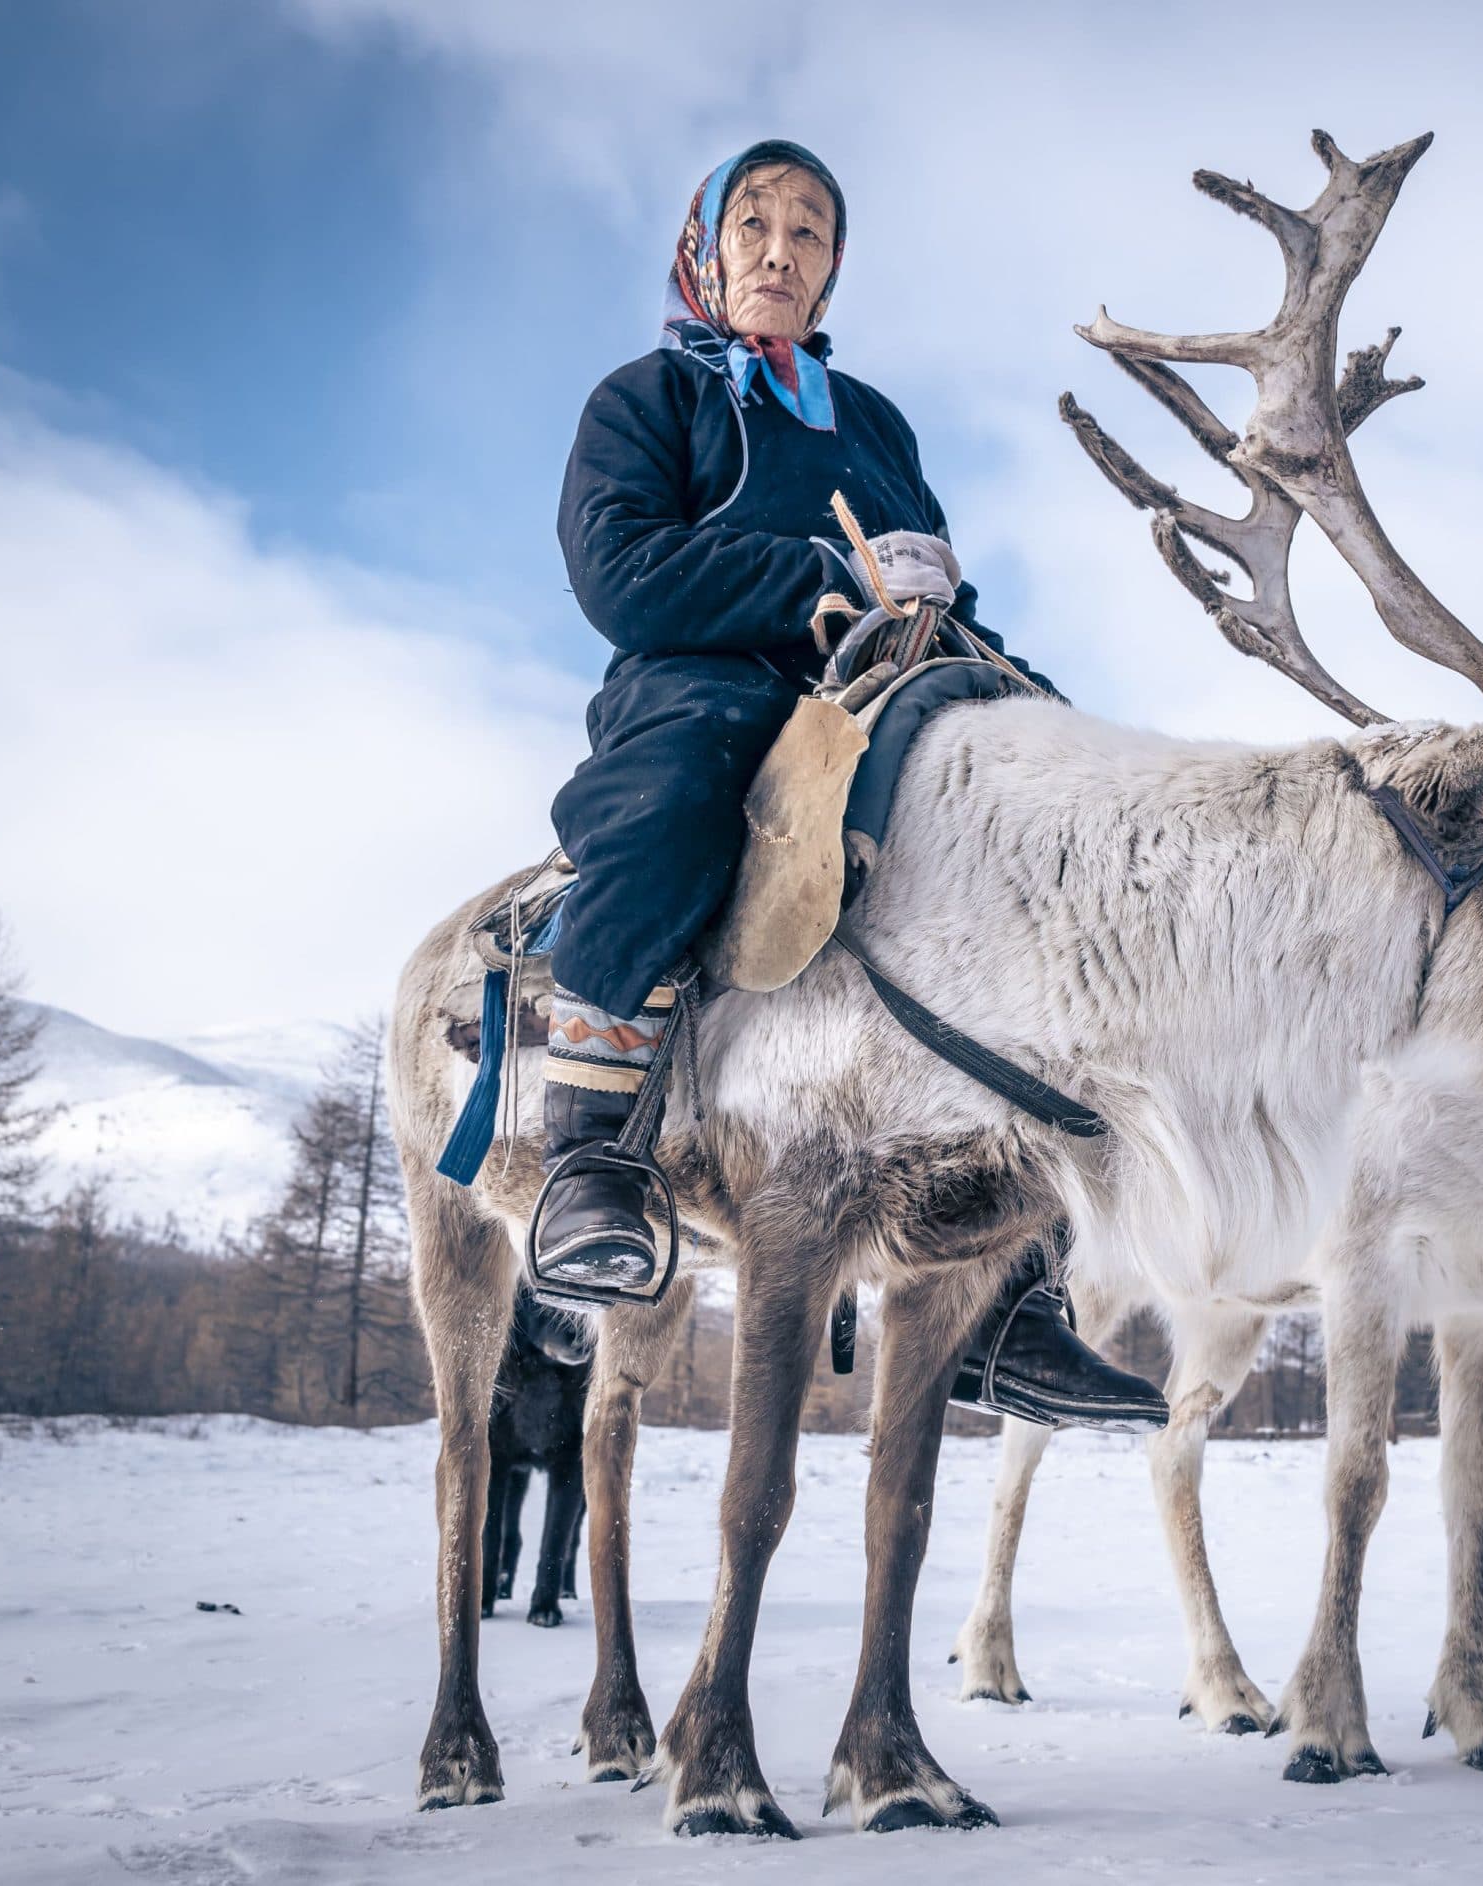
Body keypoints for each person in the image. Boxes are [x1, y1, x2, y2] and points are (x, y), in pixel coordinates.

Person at [534, 138, 1165, 1431]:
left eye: (808, 232)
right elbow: (623, 577)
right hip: (707, 682)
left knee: (1033, 837)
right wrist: (824, 578)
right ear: (705, 250)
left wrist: (1016, 684)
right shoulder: (648, 398)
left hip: (879, 687)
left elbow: (924, 583)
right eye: (753, 224)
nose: (779, 250)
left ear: (830, 273)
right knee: (673, 799)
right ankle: (591, 1155)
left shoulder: (874, 422)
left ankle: (1011, 1292)